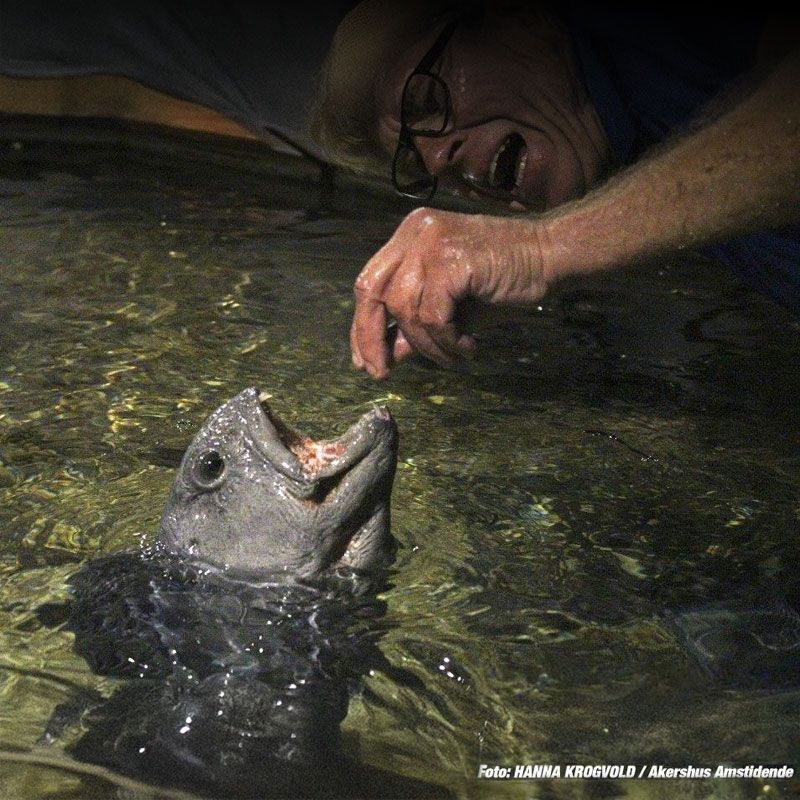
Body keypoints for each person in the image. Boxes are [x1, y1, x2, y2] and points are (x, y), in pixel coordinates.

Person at [311, 1, 800, 379]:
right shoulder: (626, 147)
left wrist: (542, 249)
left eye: (426, 99)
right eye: (418, 163)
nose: (438, 160)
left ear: (518, 16)